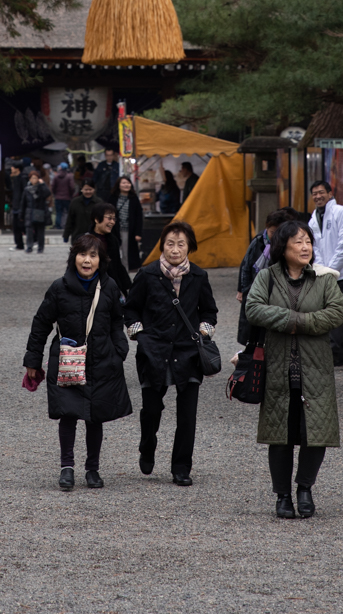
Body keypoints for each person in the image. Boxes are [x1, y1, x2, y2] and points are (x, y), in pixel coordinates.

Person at [243, 219, 343, 520]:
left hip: (315, 367)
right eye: (298, 242)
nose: (305, 247)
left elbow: (336, 312)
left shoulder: (324, 278)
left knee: (316, 431)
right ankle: (282, 495)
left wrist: (299, 323)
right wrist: (292, 318)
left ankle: (304, 488)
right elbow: (253, 308)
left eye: (308, 242)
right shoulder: (267, 277)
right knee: (281, 433)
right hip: (278, 367)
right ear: (283, 247)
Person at [23, 233, 133, 490]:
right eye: (82, 254)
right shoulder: (59, 288)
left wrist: (120, 350)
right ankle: (67, 468)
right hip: (67, 361)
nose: (87, 260)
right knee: (68, 415)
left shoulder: (110, 287)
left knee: (96, 417)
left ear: (100, 260)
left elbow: (118, 321)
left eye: (93, 255)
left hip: (102, 361)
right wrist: (33, 360)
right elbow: (41, 323)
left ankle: (92, 469)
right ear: (74, 258)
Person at [122, 220, 218, 486]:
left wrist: (204, 331)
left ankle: (181, 467)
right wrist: (140, 334)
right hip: (154, 350)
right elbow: (130, 309)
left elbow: (209, 311)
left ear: (190, 247)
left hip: (188, 351)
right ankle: (147, 445)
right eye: (170, 244)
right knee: (151, 409)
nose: (175, 250)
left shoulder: (198, 276)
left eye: (181, 244)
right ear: (162, 246)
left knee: (187, 415)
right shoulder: (147, 274)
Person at [307, 181, 343, 366]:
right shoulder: (314, 218)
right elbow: (314, 247)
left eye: (321, 192)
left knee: (336, 312)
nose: (317, 196)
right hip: (327, 273)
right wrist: (323, 269)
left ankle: (333, 353)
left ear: (330, 193)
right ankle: (341, 356)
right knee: (333, 311)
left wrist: (330, 269)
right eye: (314, 193)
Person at [235, 207, 301, 346]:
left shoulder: (288, 246)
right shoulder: (259, 240)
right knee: (254, 328)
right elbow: (246, 265)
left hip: (279, 293)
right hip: (255, 289)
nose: (274, 235)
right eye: (272, 232)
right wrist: (243, 289)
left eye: (278, 232)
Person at [90, 206, 132, 294]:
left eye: (114, 219)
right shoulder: (86, 240)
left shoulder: (113, 240)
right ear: (97, 219)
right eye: (109, 218)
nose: (112, 222)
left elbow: (117, 265)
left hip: (111, 287)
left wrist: (128, 287)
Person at [114, 176, 146, 270]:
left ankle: (125, 272)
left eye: (128, 183)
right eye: (123, 183)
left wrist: (138, 233)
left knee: (126, 253)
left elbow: (139, 217)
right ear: (118, 185)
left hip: (128, 230)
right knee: (114, 252)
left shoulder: (134, 198)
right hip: (114, 229)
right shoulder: (113, 197)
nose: (126, 185)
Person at [25, 170, 52, 254]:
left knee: (40, 231)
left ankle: (40, 247)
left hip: (40, 211)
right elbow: (23, 202)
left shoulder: (41, 188)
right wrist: (21, 215)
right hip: (30, 211)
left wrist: (43, 184)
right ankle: (29, 246)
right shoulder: (27, 189)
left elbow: (48, 193)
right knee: (29, 231)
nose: (34, 180)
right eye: (32, 178)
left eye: (35, 178)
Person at [51, 163, 76, 235]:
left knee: (59, 212)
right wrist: (71, 194)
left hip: (58, 197)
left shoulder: (56, 177)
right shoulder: (69, 177)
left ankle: (58, 225)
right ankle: (67, 225)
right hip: (67, 197)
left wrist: (55, 193)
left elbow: (53, 187)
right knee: (68, 212)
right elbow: (72, 187)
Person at [9, 163, 28, 251]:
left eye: (13, 167)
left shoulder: (23, 178)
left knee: (22, 226)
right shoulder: (15, 178)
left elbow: (24, 193)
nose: (11, 168)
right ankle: (19, 244)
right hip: (16, 205)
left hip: (21, 206)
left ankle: (32, 241)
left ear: (17, 169)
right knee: (16, 226)